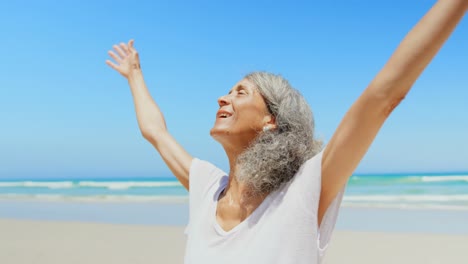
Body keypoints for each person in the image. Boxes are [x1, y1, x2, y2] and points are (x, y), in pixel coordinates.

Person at [106, 1, 467, 263]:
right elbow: (155, 132)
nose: (223, 97)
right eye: (229, 91)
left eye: (240, 92)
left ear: (270, 121)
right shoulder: (206, 189)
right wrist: (135, 75)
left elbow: (383, 98)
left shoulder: (305, 191)